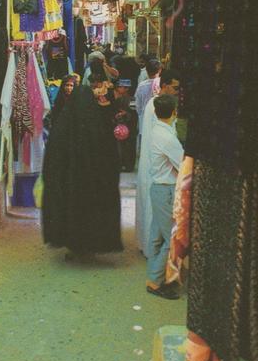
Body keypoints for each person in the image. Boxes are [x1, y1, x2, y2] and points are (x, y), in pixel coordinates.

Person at [42, 75, 123, 258]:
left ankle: (75, 247)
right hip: (93, 187)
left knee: (72, 213)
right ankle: (91, 245)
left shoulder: (63, 126)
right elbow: (111, 157)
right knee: (91, 213)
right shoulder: (99, 125)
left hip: (70, 186)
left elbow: (52, 159)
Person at [135, 69, 180, 258]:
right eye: (175, 87)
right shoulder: (156, 107)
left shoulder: (156, 104)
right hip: (159, 169)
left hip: (154, 165)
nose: (177, 91)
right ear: (165, 86)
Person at [146, 94, 184, 299]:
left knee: (157, 236)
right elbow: (182, 164)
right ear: (174, 112)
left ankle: (154, 277)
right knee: (171, 238)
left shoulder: (158, 130)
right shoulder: (167, 137)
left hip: (158, 188)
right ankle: (154, 280)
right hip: (166, 190)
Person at [114, 78, 138, 172]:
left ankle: (129, 166)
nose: (119, 89)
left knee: (129, 147)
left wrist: (126, 114)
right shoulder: (117, 99)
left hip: (130, 127)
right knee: (120, 147)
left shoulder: (133, 100)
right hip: (120, 127)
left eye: (121, 87)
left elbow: (134, 114)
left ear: (127, 88)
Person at [135, 59, 162, 134]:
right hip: (159, 122)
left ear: (146, 70)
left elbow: (138, 106)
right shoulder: (162, 84)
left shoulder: (141, 86)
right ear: (160, 70)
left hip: (144, 121)